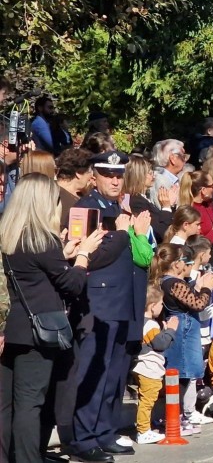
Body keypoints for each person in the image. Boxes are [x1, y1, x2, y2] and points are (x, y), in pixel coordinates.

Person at [0, 174, 103, 463]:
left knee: (7, 405)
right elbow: (71, 284)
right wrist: (83, 255)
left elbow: (39, 274)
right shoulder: (43, 239)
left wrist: (65, 254)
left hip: (15, 326)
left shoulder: (10, 235)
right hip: (40, 332)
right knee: (30, 404)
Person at [70, 151, 147, 462]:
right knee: (94, 373)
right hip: (99, 302)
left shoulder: (118, 207)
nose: (115, 180)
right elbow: (82, 256)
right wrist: (119, 231)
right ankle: (83, 438)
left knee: (113, 374)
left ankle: (104, 431)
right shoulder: (85, 208)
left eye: (118, 175)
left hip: (122, 301)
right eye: (107, 175)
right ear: (94, 176)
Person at [154, 243, 213, 432]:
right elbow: (198, 303)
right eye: (186, 262)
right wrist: (206, 288)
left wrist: (197, 286)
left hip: (185, 328)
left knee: (184, 375)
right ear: (177, 264)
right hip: (182, 330)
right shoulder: (172, 283)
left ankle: (177, 416)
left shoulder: (170, 282)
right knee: (181, 374)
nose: (189, 266)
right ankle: (172, 418)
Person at [132, 284, 178, 445]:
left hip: (143, 367)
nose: (162, 307)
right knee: (148, 400)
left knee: (145, 399)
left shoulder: (141, 323)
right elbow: (160, 344)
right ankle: (143, 431)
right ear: (152, 306)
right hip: (149, 368)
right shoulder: (151, 324)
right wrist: (171, 330)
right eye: (160, 304)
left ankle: (144, 426)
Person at [55, 149, 95, 231]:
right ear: (79, 173)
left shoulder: (48, 188)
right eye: (90, 172)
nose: (92, 177)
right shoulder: (57, 198)